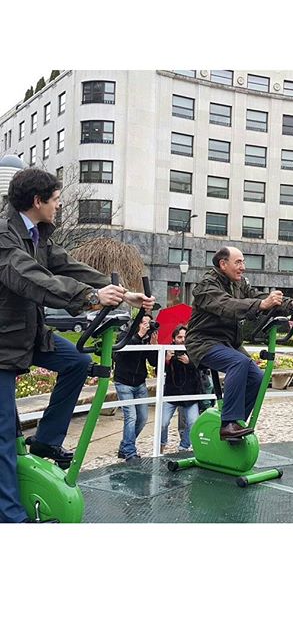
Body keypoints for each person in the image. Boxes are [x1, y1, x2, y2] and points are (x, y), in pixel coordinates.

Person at [0, 167, 155, 523]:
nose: (58, 206)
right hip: (2, 342)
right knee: (4, 434)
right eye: (55, 200)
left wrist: (119, 292)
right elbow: (30, 276)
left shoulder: (38, 235)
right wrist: (88, 297)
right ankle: (11, 519)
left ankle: (46, 441)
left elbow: (66, 266)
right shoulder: (4, 237)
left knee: (77, 362)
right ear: (37, 201)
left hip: (26, 332)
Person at [185, 246, 293, 441]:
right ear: (223, 264)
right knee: (239, 363)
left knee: (257, 378)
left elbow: (257, 296)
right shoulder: (206, 285)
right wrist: (261, 305)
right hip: (203, 342)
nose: (243, 267)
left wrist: (291, 304)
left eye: (243, 262)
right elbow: (226, 305)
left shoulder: (239, 283)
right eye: (238, 262)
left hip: (228, 343)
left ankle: (236, 423)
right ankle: (229, 424)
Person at [113, 314, 158, 462]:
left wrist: (153, 345)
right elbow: (119, 356)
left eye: (149, 323)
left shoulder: (147, 339)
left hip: (139, 383)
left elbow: (153, 363)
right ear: (136, 324)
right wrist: (138, 336)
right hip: (124, 382)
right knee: (131, 417)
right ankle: (130, 453)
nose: (147, 326)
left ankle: (124, 446)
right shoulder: (124, 336)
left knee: (143, 418)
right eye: (144, 322)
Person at [160, 325, 202, 453]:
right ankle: (161, 444)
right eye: (179, 337)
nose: (182, 339)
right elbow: (158, 370)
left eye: (185, 337)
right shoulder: (167, 350)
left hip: (190, 394)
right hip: (171, 393)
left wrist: (189, 362)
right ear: (173, 339)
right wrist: (166, 360)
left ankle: (184, 446)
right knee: (162, 423)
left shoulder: (194, 350)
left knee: (193, 422)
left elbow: (203, 367)